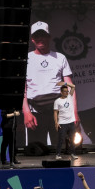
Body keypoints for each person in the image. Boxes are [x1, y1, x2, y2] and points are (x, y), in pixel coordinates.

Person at [25, 21, 73, 150]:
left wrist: (73, 112)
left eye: (43, 35)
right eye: (37, 36)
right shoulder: (26, 59)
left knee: (63, 149)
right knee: (36, 152)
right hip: (36, 112)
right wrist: (26, 112)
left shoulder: (60, 57)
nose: (40, 38)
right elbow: (23, 90)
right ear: (32, 39)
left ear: (49, 37)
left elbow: (69, 86)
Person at [53, 82, 79, 159]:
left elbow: (73, 86)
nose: (66, 92)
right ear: (61, 92)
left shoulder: (69, 97)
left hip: (71, 122)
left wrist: (65, 83)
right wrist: (56, 122)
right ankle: (58, 154)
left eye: (67, 91)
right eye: (64, 91)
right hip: (62, 123)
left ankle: (73, 153)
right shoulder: (57, 101)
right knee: (61, 139)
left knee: (72, 139)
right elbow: (55, 112)